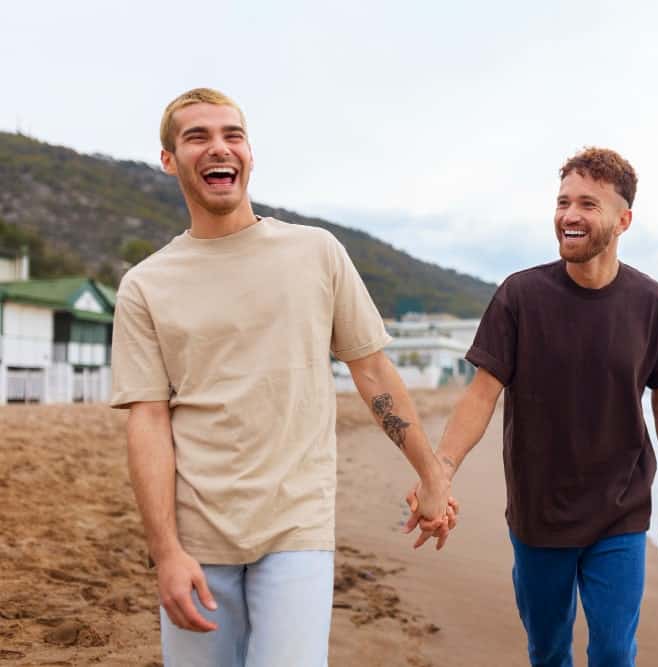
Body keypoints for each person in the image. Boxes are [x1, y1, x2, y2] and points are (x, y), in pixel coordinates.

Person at [110, 87, 455, 667]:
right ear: (170, 160)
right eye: (197, 137)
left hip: (297, 524)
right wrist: (164, 551)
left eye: (232, 135)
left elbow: (372, 371)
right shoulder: (146, 285)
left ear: (248, 152)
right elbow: (148, 422)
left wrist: (433, 475)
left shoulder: (316, 253)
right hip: (197, 533)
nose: (219, 147)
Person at [407, 147, 658, 666]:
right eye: (563, 202)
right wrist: (440, 471)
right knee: (548, 651)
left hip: (622, 511)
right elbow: (482, 394)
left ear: (623, 220)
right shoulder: (520, 296)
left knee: (612, 651)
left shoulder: (651, 304)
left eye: (588, 204)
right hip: (539, 514)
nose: (570, 216)